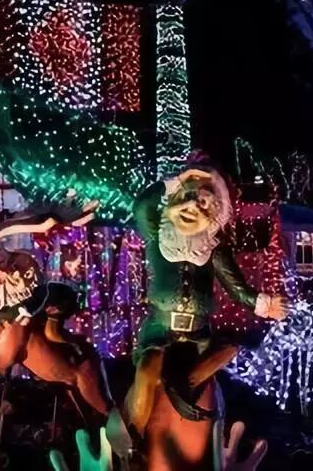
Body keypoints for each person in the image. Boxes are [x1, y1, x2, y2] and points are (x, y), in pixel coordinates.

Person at [124, 162, 290, 432]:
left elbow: (236, 287)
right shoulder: (157, 234)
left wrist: (265, 304)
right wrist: (177, 180)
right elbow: (142, 206)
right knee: (147, 368)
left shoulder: (214, 250)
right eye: (186, 196)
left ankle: (183, 387)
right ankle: (134, 436)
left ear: (216, 211)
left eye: (203, 202)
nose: (192, 205)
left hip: (198, 333)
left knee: (229, 349)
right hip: (160, 328)